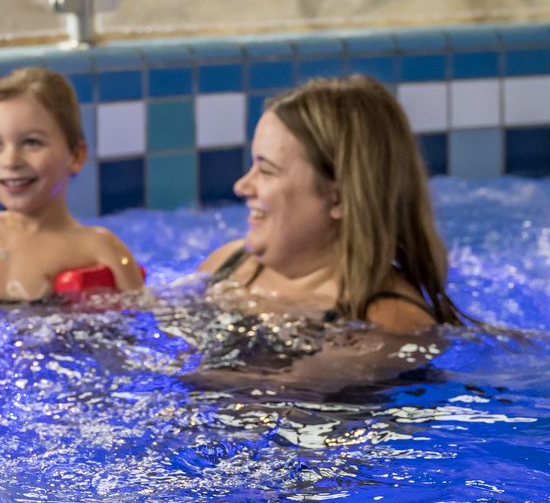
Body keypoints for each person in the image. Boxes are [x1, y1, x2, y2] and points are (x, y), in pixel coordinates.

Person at [196, 74, 471, 337]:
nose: (242, 186)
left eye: (266, 171)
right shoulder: (227, 264)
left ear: (338, 198)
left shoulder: (388, 323)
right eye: (252, 164)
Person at [0, 66, 141, 300]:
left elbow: (146, 324)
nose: (10, 161)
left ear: (76, 155)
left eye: (32, 142)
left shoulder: (96, 248)